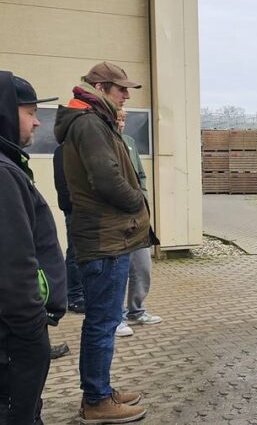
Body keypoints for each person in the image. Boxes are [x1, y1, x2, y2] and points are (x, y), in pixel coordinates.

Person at [54, 62, 150, 423]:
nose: (126, 95)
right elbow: (107, 178)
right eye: (121, 89)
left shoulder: (93, 120)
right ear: (101, 87)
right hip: (105, 238)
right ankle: (96, 400)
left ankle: (100, 390)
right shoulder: (90, 123)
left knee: (104, 320)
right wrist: (137, 201)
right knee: (103, 321)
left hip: (107, 236)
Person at [0, 72, 67, 424]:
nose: (38, 120)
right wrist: (32, 333)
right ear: (6, 114)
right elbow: (13, 267)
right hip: (14, 341)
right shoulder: (3, 172)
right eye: (29, 112)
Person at [116, 109, 162, 338]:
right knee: (118, 270)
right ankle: (118, 317)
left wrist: (142, 200)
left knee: (142, 266)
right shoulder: (102, 141)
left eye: (124, 119)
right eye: (118, 118)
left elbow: (140, 175)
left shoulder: (130, 142)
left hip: (138, 214)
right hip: (117, 219)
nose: (121, 123)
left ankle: (137, 309)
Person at [54, 143, 85, 314]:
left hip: (85, 212)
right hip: (74, 211)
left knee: (81, 254)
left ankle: (81, 293)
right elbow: (62, 184)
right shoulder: (63, 151)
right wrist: (74, 206)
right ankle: (74, 297)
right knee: (74, 254)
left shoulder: (80, 148)